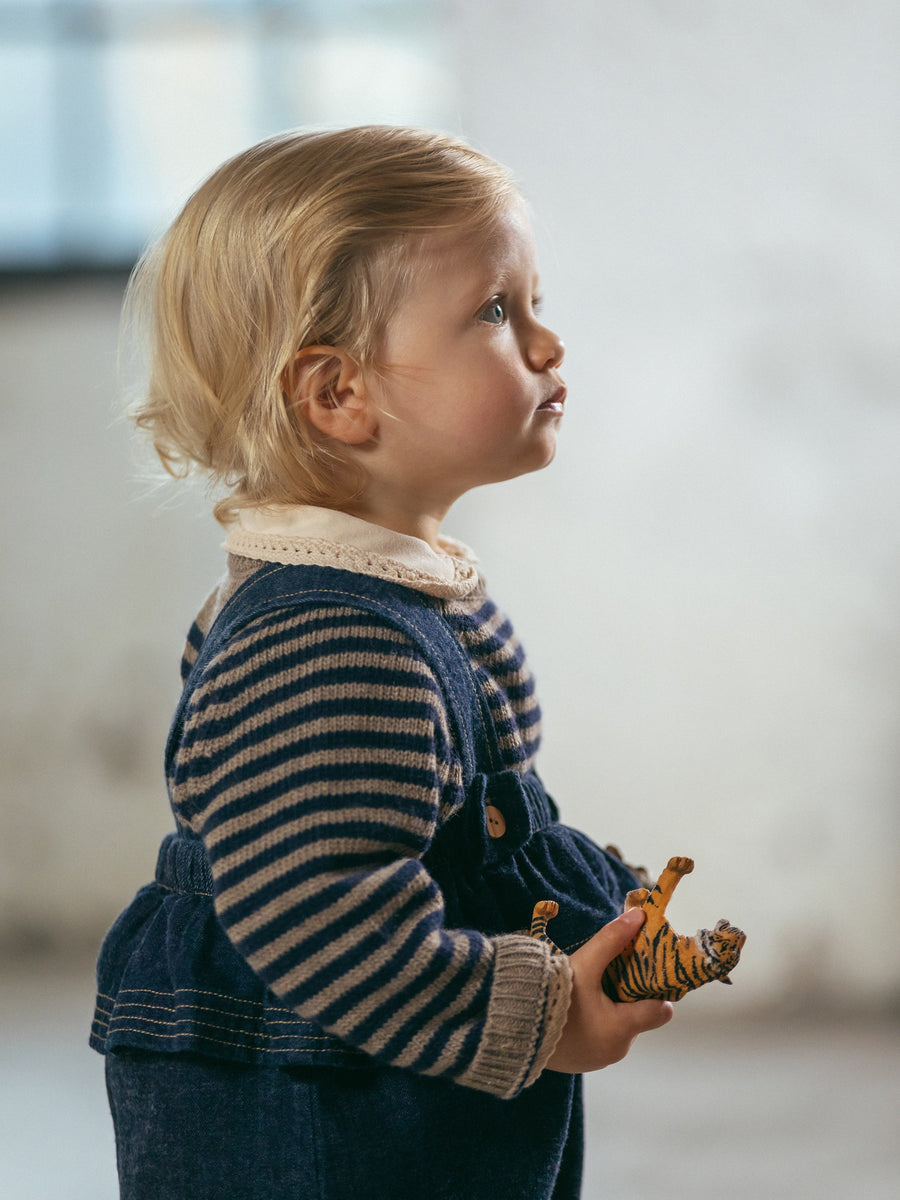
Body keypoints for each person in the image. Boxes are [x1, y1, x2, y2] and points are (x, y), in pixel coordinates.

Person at [91, 126, 673, 1200]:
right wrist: (542, 1019)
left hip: (398, 1095)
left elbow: (475, 828)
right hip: (325, 1117)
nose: (549, 345)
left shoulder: (403, 595)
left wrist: (600, 910)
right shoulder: (330, 638)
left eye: (533, 302)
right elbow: (320, 909)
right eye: (497, 313)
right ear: (337, 394)